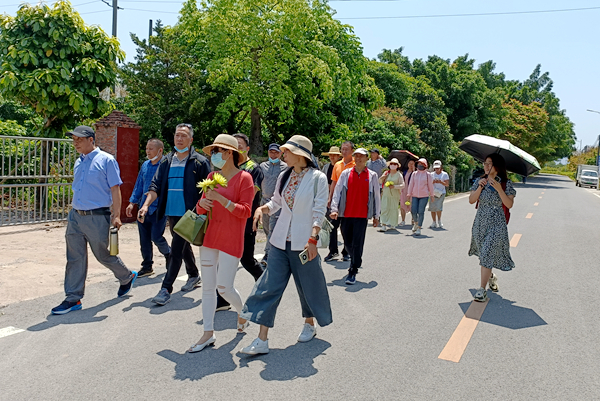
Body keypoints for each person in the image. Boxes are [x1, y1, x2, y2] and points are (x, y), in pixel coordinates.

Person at [238, 135, 331, 355]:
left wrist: (313, 239)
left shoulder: (318, 178)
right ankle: (261, 340)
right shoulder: (284, 175)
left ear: (300, 155)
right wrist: (262, 209)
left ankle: (309, 323)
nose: (283, 154)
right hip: (279, 241)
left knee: (306, 285)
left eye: (286, 151)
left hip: (303, 242)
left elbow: (319, 212)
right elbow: (277, 202)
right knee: (269, 286)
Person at [51, 126, 137, 315]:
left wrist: (116, 215)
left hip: (97, 216)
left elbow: (115, 189)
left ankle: (126, 276)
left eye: (79, 139)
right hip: (75, 216)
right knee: (74, 257)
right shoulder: (78, 162)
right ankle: (73, 298)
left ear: (91, 140)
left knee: (103, 254)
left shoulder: (106, 160)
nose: (75, 143)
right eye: (73, 139)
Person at [188, 134, 255, 353]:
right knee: (208, 288)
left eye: (218, 151)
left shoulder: (245, 178)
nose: (214, 155)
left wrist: (222, 200)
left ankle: (242, 311)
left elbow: (245, 211)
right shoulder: (211, 176)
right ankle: (208, 332)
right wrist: (203, 203)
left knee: (224, 287)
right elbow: (201, 209)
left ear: (229, 154)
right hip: (209, 237)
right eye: (214, 151)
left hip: (231, 238)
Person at [139, 123, 211, 306]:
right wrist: (146, 205)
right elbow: (155, 186)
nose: (179, 139)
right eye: (177, 135)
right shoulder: (167, 161)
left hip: (191, 214)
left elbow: (209, 189)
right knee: (183, 245)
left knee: (177, 248)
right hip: (171, 212)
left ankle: (165, 289)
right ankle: (193, 274)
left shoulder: (199, 162)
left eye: (183, 136)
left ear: (191, 139)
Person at [214, 133, 265, 312]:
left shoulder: (253, 169)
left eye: (240, 145)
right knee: (221, 259)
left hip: (246, 220)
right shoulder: (222, 170)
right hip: (225, 222)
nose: (236, 148)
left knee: (247, 259)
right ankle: (222, 299)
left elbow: (249, 197)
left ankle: (265, 287)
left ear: (246, 148)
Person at [468, 154, 516, 302]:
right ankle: (491, 276)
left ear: (498, 166)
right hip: (480, 222)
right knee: (484, 254)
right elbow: (471, 200)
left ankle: (481, 290)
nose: (486, 166)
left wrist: (498, 189)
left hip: (497, 223)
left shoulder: (505, 183)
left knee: (487, 251)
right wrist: (480, 187)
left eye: (490, 163)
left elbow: (509, 204)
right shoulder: (479, 181)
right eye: (485, 163)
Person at [330, 148, 381, 285]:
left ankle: (353, 268)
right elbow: (338, 191)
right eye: (356, 156)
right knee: (347, 242)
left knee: (357, 243)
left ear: (366, 159)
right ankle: (354, 258)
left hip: (361, 215)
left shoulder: (372, 176)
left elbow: (376, 196)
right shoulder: (346, 174)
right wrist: (334, 209)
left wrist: (377, 215)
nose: (358, 159)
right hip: (346, 214)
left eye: (361, 157)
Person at [125, 139, 170, 277]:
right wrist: (132, 202)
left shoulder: (166, 166)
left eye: (151, 148)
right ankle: (147, 266)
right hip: (143, 207)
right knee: (144, 239)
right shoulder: (145, 165)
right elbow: (139, 184)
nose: (148, 151)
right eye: (146, 148)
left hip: (158, 208)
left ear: (160, 150)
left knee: (156, 237)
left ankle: (169, 254)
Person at [324, 141, 355, 262]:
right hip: (337, 199)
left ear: (352, 150)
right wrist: (330, 197)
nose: (344, 152)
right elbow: (334, 182)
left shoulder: (355, 164)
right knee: (332, 225)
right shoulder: (337, 165)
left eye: (346, 149)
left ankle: (346, 251)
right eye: (342, 149)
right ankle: (333, 251)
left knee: (346, 228)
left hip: (350, 200)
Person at [259, 143, 288, 268]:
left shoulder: (285, 167)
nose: (273, 154)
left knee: (272, 228)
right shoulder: (262, 166)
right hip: (264, 201)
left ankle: (268, 254)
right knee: (266, 228)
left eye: (276, 152)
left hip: (277, 203)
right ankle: (272, 248)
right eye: (271, 152)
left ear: (280, 153)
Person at [406, 158, 434, 236]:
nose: (420, 165)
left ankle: (419, 228)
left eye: (422, 164)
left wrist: (432, 195)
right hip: (415, 195)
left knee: (421, 212)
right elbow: (411, 184)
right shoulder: (414, 174)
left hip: (424, 196)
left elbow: (430, 186)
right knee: (413, 211)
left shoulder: (428, 175)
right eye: (419, 164)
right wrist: (409, 194)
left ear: (425, 165)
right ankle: (416, 222)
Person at [378, 158, 405, 232]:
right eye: (392, 164)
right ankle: (383, 225)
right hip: (386, 194)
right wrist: (383, 177)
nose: (393, 165)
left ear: (397, 166)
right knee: (384, 208)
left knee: (393, 209)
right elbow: (380, 181)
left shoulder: (399, 175)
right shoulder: (387, 173)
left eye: (395, 164)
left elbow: (403, 185)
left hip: (395, 195)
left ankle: (393, 223)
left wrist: (394, 186)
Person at [429, 160, 450, 229]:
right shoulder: (431, 174)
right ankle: (434, 222)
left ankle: (439, 220)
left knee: (438, 207)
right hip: (433, 192)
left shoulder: (444, 174)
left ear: (441, 167)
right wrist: (433, 182)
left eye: (438, 168)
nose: (437, 169)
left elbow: (447, 184)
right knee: (432, 207)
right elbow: (428, 184)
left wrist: (441, 182)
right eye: (435, 168)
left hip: (441, 193)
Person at [400, 159, 415, 226]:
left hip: (412, 191)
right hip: (404, 190)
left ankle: (413, 219)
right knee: (402, 205)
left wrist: (414, 170)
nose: (411, 165)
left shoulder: (415, 173)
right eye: (409, 163)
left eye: (412, 164)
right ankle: (403, 220)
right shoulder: (405, 172)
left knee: (412, 206)